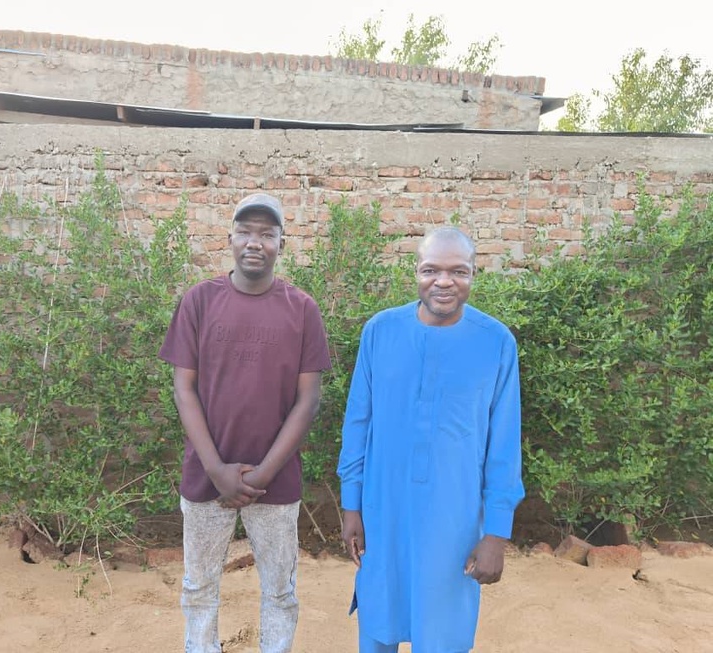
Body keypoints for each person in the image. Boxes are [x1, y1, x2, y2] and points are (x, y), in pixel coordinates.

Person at [337, 226, 525, 653]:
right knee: (379, 617)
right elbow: (358, 424)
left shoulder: (496, 343)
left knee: (445, 633)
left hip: (454, 517)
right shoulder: (380, 332)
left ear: (474, 274)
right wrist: (352, 504)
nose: (444, 282)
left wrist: (496, 532)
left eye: (458, 271)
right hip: (384, 510)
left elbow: (503, 445)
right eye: (431, 270)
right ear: (416, 273)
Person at [159, 192, 331, 653]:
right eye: (246, 232)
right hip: (205, 478)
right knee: (199, 587)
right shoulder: (199, 301)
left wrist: (263, 474)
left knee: (279, 590)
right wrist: (217, 470)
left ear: (280, 243)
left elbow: (308, 400)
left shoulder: (302, 309)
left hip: (274, 483)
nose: (255, 242)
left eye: (267, 234)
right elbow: (184, 389)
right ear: (230, 238)